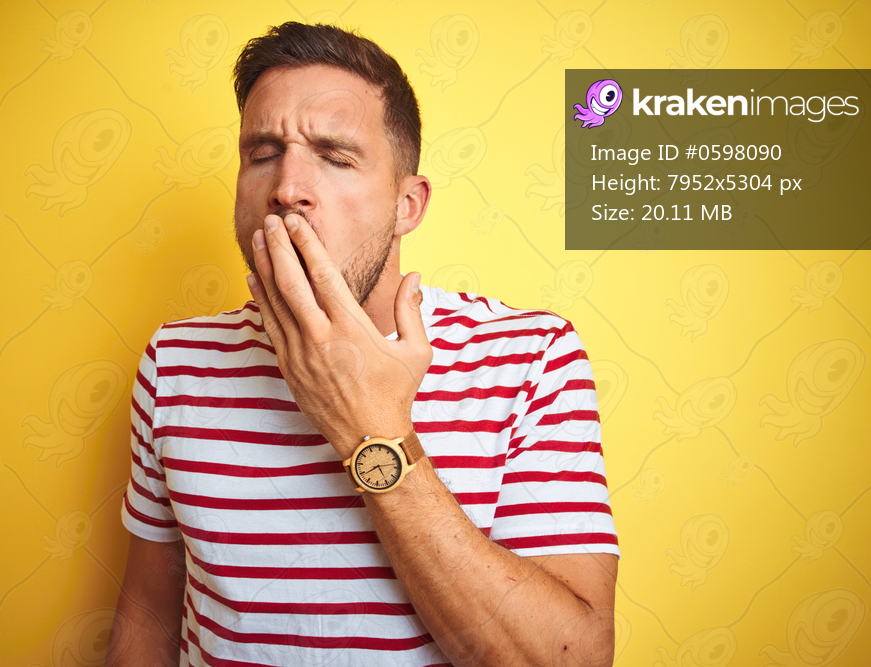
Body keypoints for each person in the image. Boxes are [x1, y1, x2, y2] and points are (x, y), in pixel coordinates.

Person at [110, 21, 619, 667]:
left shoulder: (531, 357)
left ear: (408, 204)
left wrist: (367, 426)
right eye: (262, 152)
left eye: (335, 156)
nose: (286, 187)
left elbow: (571, 659)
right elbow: (149, 613)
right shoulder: (176, 363)